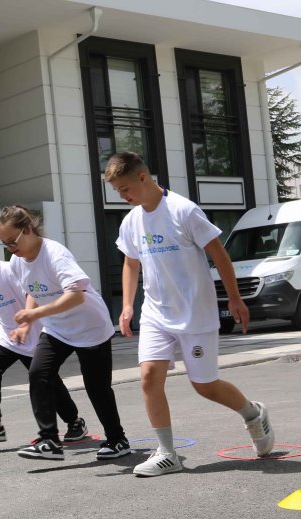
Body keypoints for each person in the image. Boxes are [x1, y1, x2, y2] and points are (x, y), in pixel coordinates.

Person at [106, 151, 273, 477]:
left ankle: (252, 414)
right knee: (148, 377)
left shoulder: (183, 211)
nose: (123, 197)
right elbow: (130, 261)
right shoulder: (132, 221)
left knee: (205, 385)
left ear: (143, 177)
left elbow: (219, 255)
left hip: (195, 313)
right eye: (117, 192)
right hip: (155, 313)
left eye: (125, 189)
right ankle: (167, 453)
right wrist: (127, 305)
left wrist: (236, 299)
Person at [0, 205, 131, 461]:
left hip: (90, 327)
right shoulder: (17, 262)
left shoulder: (55, 254)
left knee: (97, 388)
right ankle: (49, 441)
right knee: (38, 373)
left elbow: (76, 296)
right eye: (4, 244)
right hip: (57, 327)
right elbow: (33, 291)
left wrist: (34, 315)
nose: (10, 248)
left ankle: (117, 440)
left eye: (13, 241)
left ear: (29, 230)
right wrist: (26, 323)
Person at [0, 235, 89, 444]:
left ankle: (74, 422)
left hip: (32, 335)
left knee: (48, 382)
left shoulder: (9, 271)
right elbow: (0, 306)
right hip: (8, 337)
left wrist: (27, 324)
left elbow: (32, 292)